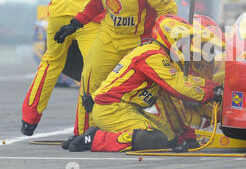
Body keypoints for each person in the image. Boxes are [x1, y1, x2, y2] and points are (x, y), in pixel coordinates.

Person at [54, 0, 178, 148]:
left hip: (139, 41)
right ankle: (83, 133)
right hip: (109, 36)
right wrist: (75, 23)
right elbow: (96, 2)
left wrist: (160, 42)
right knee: (89, 79)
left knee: (152, 87)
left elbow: (169, 11)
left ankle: (172, 132)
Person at [21, 0, 133, 142]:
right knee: (91, 72)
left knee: (51, 62)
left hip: (59, 11)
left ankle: (29, 119)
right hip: (89, 18)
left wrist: (63, 4)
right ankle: (82, 132)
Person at [67, 15, 222, 152]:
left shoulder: (161, 58)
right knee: (154, 139)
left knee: (170, 139)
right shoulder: (153, 55)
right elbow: (179, 88)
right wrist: (211, 94)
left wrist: (184, 135)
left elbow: (174, 95)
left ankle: (100, 133)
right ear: (169, 37)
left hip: (126, 108)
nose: (184, 45)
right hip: (113, 108)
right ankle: (95, 138)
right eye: (181, 40)